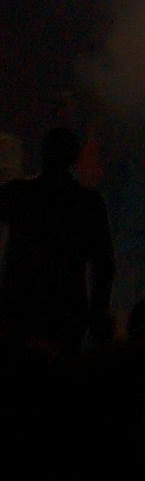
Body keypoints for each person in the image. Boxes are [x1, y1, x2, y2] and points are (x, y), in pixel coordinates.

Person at [0, 128, 113, 354]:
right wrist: (97, 313)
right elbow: (104, 265)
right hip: (67, 311)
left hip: (19, 310)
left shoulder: (18, 194)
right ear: (74, 157)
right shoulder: (89, 204)